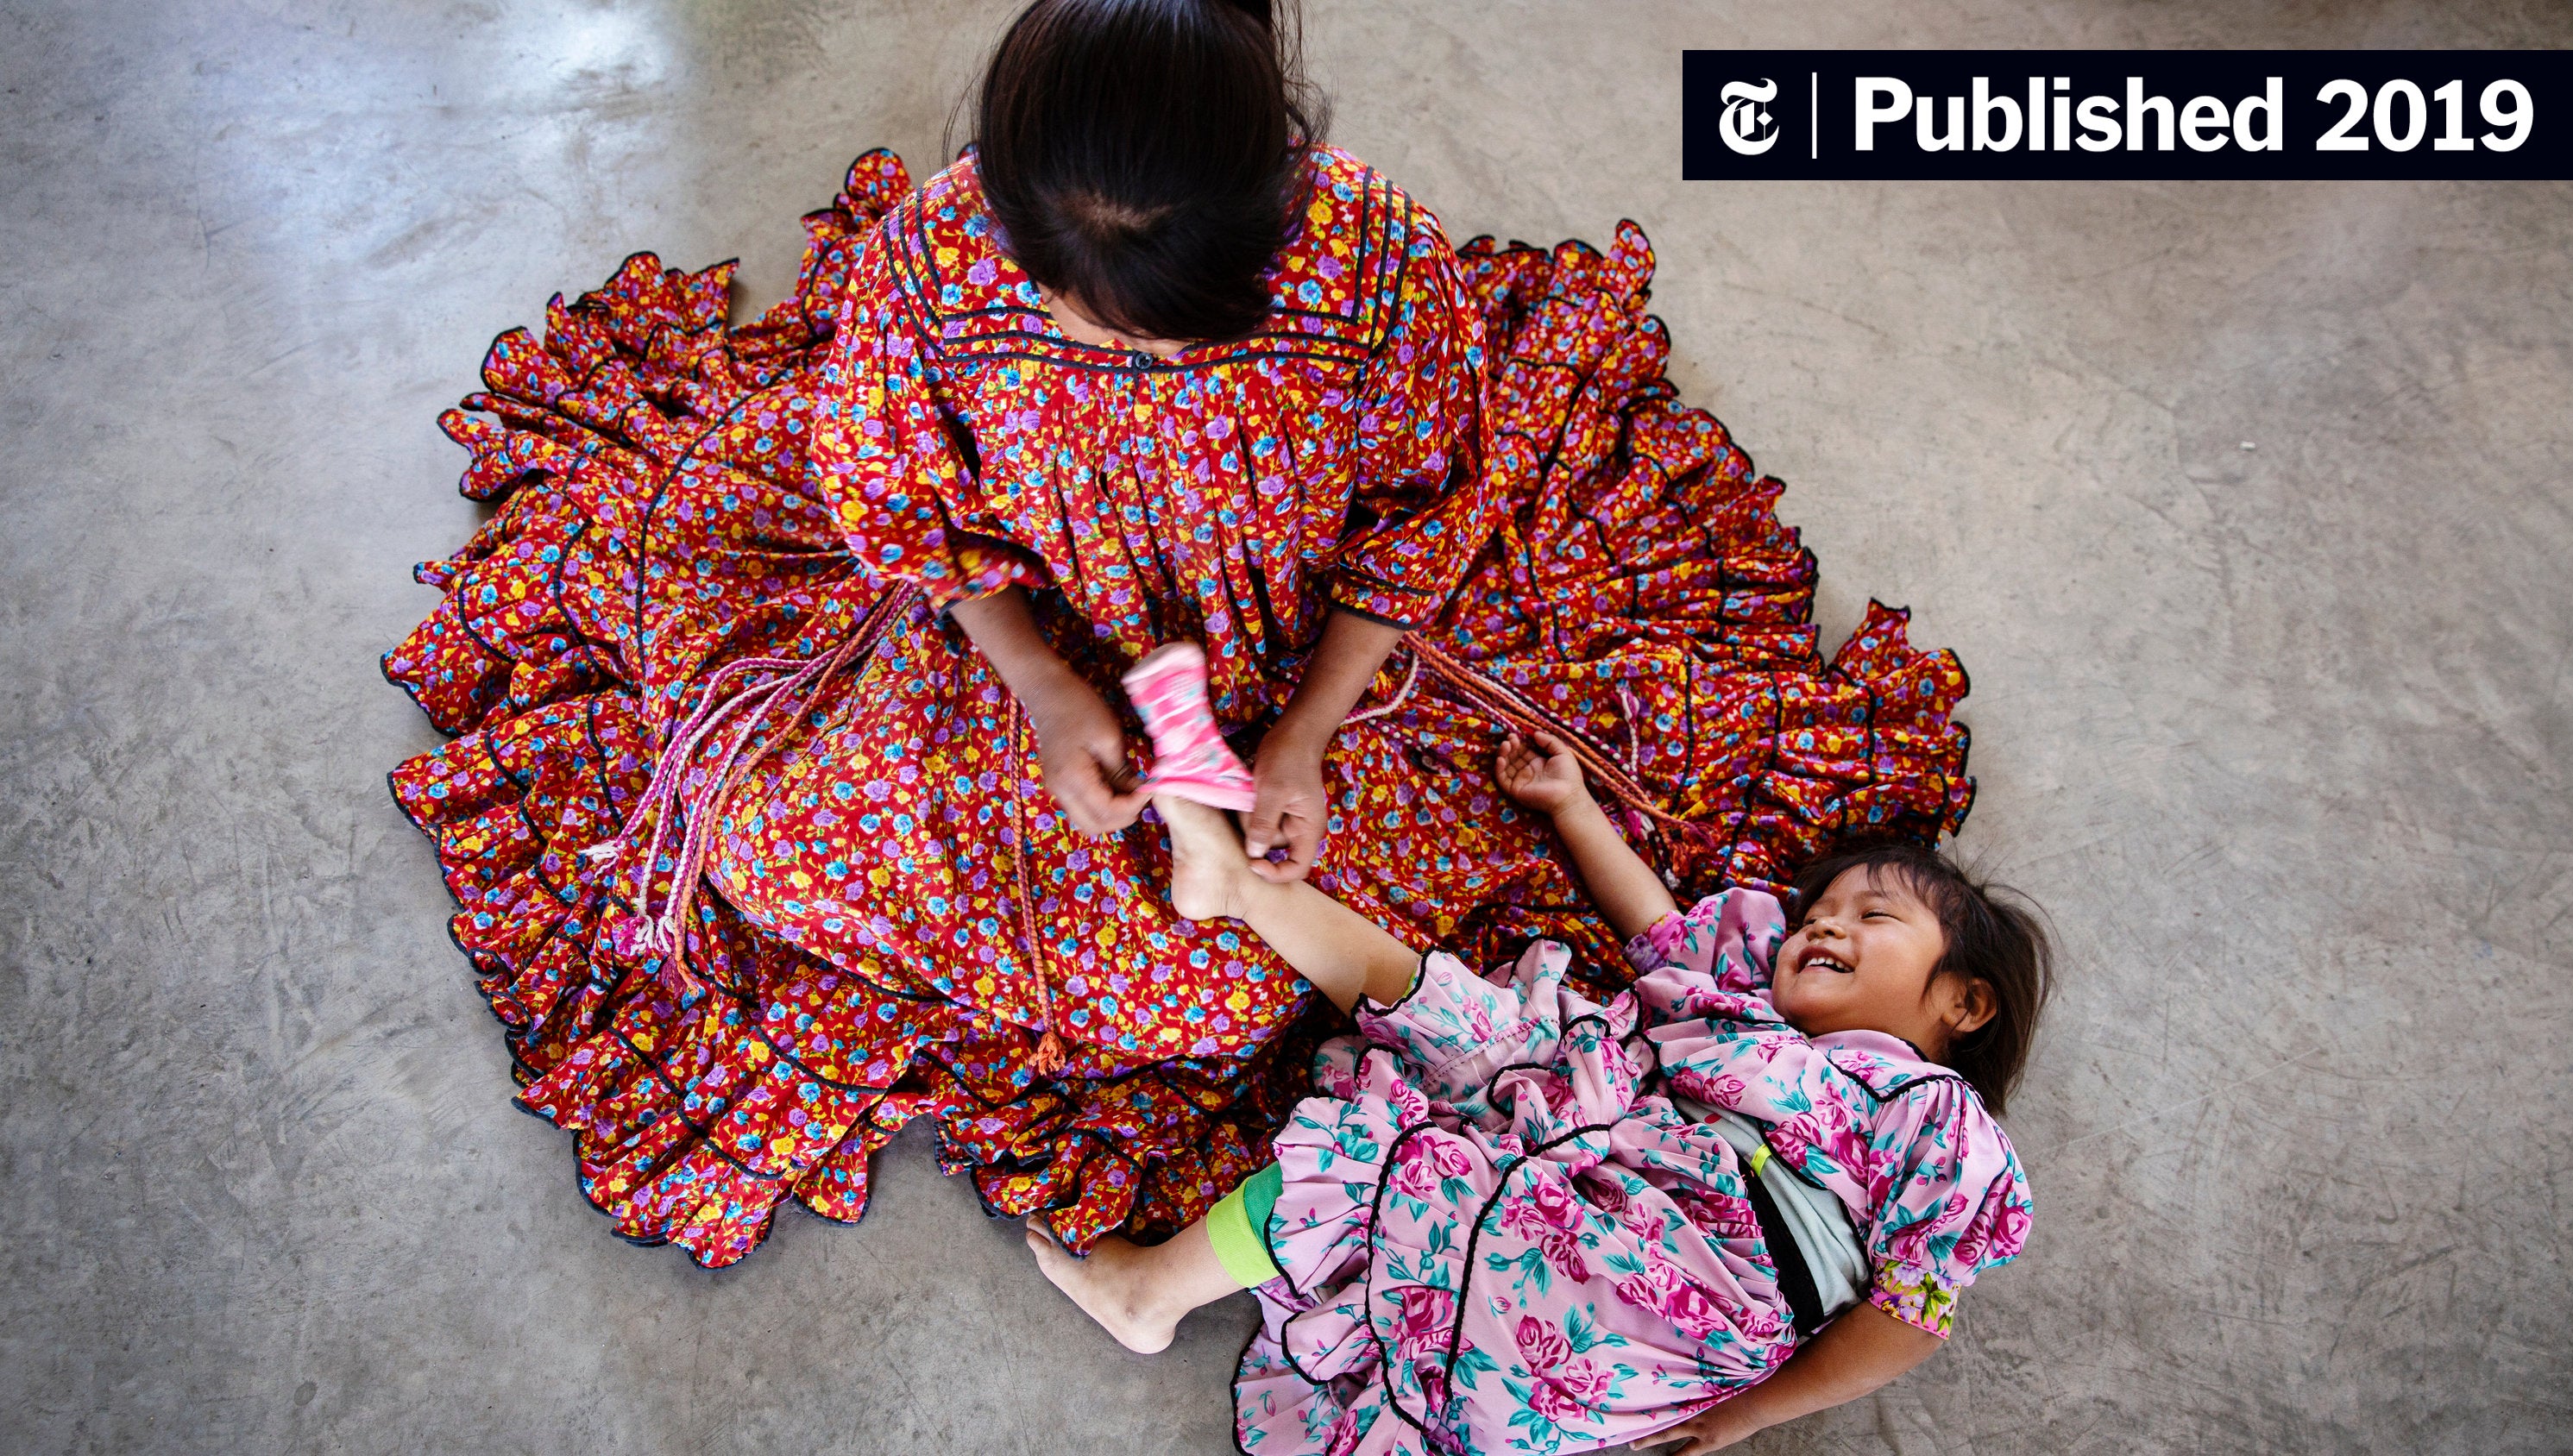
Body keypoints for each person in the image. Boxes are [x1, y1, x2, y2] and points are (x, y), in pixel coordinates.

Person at [383, 0, 1979, 1270]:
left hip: (1287, 648)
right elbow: (904, 509)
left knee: (1219, 992)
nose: (1092, 343)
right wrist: (1035, 678)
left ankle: (1228, 827)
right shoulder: (933, 257)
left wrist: (1301, 730)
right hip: (1002, 636)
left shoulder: (1372, 261)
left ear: (1273, 202)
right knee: (754, 840)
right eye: (1061, 307)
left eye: (1150, 326)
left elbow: (1419, 517)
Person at [1029, 729, 2048, 1455]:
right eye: (1818, 908)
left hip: (1677, 1295)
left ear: (1965, 1000)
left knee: (1393, 1164)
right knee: (1480, 1028)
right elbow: (1660, 931)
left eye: (1871, 915)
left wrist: (1752, 1413)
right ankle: (1243, 891)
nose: (1823, 925)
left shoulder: (1941, 1122)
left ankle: (1148, 1292)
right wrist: (1572, 808)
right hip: (1606, 1167)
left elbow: (1911, 1312)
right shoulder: (1744, 1000)